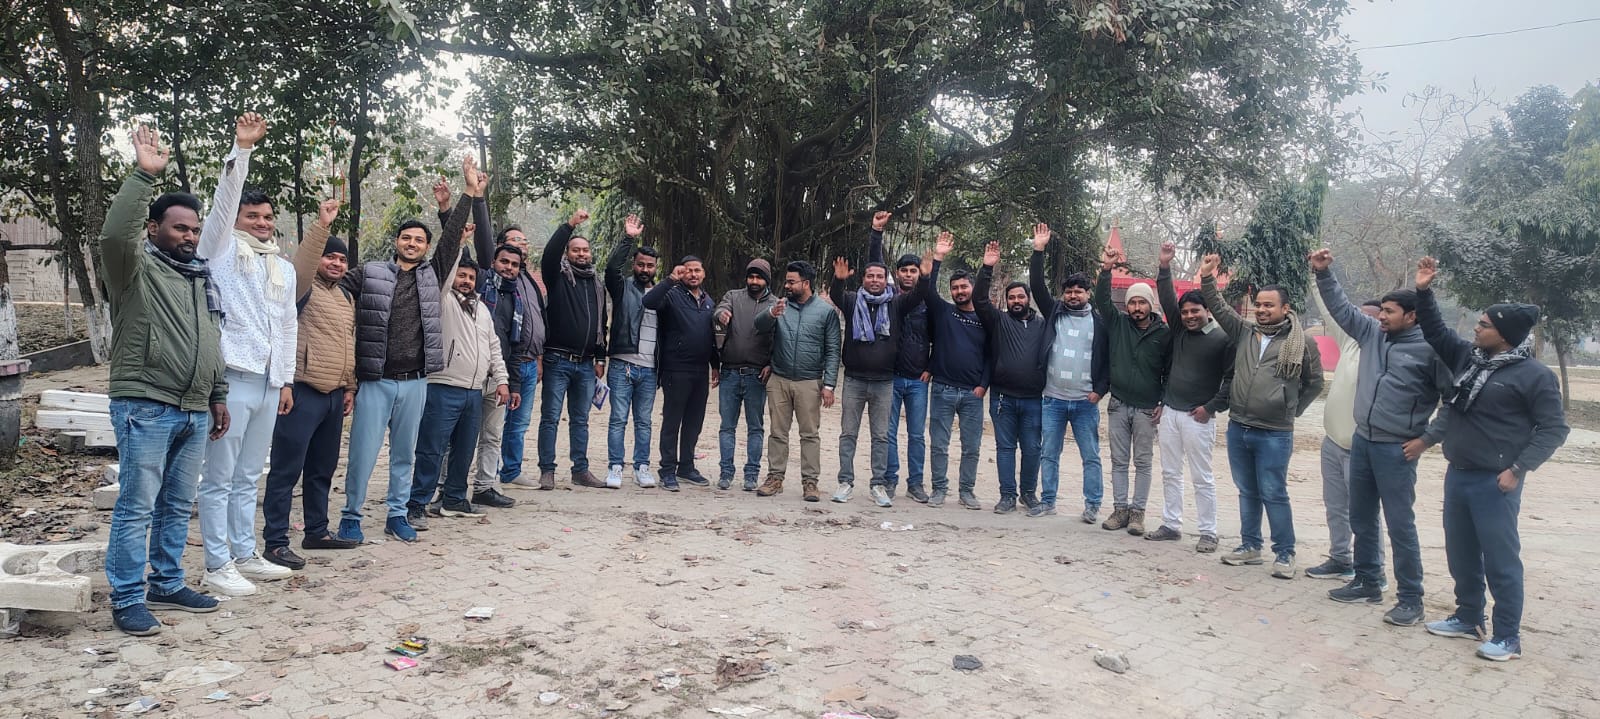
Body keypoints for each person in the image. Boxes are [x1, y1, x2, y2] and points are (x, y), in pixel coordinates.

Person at [100, 125, 229, 635]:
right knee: (137, 505)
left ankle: (167, 582)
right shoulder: (132, 269)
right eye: (179, 229)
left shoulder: (198, 277)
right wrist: (142, 175)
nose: (189, 236)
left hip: (193, 408)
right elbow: (114, 235)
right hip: (145, 403)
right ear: (153, 229)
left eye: (194, 229)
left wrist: (217, 395)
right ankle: (127, 598)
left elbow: (210, 340)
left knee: (176, 504)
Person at [1414, 257, 1569, 662]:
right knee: (1461, 552)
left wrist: (1518, 469)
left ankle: (1507, 637)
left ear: (1505, 334)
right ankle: (1468, 617)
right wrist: (1424, 291)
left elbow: (1554, 429)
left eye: (1484, 324)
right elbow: (1435, 330)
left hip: (1496, 481)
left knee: (1500, 560)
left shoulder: (1535, 376)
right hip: (1459, 473)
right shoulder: (1469, 359)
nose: (1476, 329)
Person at [1311, 248, 1454, 627]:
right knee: (1361, 517)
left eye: (1389, 312)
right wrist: (1323, 274)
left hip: (1397, 450)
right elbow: (1342, 309)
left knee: (1400, 525)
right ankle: (1368, 581)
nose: (1381, 317)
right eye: (1381, 312)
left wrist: (1427, 439)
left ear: (1412, 316)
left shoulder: (1431, 350)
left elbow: (1454, 401)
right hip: (1363, 442)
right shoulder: (1373, 335)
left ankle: (1410, 599)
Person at [337, 156, 472, 544]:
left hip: (415, 381)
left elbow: (452, 239)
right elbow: (334, 291)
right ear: (396, 242)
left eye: (419, 240)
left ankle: (397, 514)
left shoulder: (433, 273)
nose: (412, 244)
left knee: (404, 454)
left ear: (426, 247)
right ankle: (351, 516)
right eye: (406, 238)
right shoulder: (370, 272)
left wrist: (465, 193)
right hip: (376, 380)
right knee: (362, 453)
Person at [186, 114, 294, 596]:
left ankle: (245, 553)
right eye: (253, 217)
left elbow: (287, 325)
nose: (263, 223)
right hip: (231, 379)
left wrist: (285, 380)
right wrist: (243, 150)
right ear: (235, 221)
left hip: (269, 383)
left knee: (250, 475)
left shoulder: (281, 268)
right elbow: (224, 199)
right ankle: (217, 563)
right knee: (220, 477)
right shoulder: (222, 250)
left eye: (268, 217)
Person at [1199, 253, 1323, 579]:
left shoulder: (1302, 343)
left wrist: (1289, 408)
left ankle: (1284, 553)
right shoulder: (1245, 332)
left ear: (1285, 308)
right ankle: (1250, 546)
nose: (1262, 310)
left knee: (1274, 493)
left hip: (1274, 432)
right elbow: (1219, 307)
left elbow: (1314, 383)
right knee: (1247, 491)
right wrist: (1207, 278)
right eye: (1259, 305)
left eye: (1269, 305)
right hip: (1239, 427)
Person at [260, 199, 360, 572]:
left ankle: (317, 531)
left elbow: (349, 342)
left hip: (333, 396)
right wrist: (322, 226)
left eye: (342, 260)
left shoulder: (345, 296)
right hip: (301, 393)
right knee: (286, 470)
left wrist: (349, 386)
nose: (336, 263)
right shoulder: (300, 287)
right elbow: (302, 265)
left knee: (322, 469)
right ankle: (275, 542)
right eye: (330, 257)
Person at [436, 176, 543, 506]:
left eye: (514, 264)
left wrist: (510, 382)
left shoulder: (518, 299)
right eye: (503, 262)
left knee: (493, 435)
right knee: (455, 437)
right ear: (493, 263)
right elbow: (456, 248)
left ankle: (485, 486)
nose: (508, 268)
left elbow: (514, 345)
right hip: (465, 374)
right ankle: (444, 488)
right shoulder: (481, 283)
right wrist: (459, 204)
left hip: (497, 377)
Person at [408, 252, 510, 521]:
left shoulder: (482, 309)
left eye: (471, 277)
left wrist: (502, 380)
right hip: (443, 385)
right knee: (432, 448)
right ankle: (417, 503)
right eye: (461, 275)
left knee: (464, 449)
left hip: (474, 390)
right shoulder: (443, 300)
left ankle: (454, 499)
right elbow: (443, 271)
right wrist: (459, 243)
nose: (466, 281)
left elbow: (494, 347)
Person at [1152, 241, 1233, 552]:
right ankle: (1171, 524)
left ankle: (1208, 532)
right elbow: (1166, 297)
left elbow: (1231, 379)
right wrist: (1164, 265)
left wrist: (1210, 408)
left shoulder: (1222, 339)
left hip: (1198, 417)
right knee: (1170, 472)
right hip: (1170, 414)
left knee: (1202, 477)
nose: (1188, 316)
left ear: (1207, 311)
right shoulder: (1179, 330)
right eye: (1185, 312)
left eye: (1194, 311)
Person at [1030, 224, 1109, 520]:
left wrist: (1099, 391)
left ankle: (1092, 505)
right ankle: (1048, 502)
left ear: (1088, 293)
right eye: (1068, 292)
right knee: (1049, 454)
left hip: (1085, 402)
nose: (1073, 295)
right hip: (1053, 399)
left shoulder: (1100, 323)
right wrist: (1039, 250)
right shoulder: (1055, 313)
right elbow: (1037, 286)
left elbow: (1108, 361)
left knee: (1091, 456)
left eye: (1078, 291)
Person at [828, 211, 905, 507]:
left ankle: (878, 485)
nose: (874, 280)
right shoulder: (851, 301)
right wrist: (838, 280)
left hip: (884, 382)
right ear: (862, 279)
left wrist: (930, 271)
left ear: (886, 281)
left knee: (881, 436)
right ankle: (845, 482)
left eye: (879, 276)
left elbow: (920, 293)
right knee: (848, 433)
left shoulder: (896, 304)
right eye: (870, 276)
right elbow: (836, 294)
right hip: (854, 381)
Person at [1093, 245, 1170, 536]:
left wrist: (1163, 400)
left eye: (1142, 303)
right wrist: (1106, 269)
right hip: (1118, 404)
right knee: (1118, 461)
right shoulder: (1118, 324)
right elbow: (1102, 299)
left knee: (1143, 462)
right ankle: (1119, 510)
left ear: (1150, 305)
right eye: (1133, 303)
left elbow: (1169, 370)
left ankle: (1138, 513)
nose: (1137, 308)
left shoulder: (1163, 334)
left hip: (1147, 407)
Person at [1304, 285, 1378, 581]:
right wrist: (1315, 277)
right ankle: (1340, 558)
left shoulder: (1383, 351)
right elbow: (1329, 309)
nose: (1360, 321)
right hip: (1332, 442)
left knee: (1364, 513)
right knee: (1335, 507)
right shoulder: (1348, 342)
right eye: (1358, 315)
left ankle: (1372, 571)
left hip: (1362, 447)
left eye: (1370, 317)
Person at [913, 232, 990, 510]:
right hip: (943, 389)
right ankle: (939, 489)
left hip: (973, 393)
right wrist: (938, 258)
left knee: (971, 447)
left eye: (964, 287)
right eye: (955, 288)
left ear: (973, 288)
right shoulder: (944, 311)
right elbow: (928, 291)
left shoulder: (986, 317)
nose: (959, 291)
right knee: (939, 444)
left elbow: (991, 355)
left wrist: (983, 384)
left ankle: (967, 492)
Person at [755, 261, 841, 501]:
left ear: (806, 283)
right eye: (787, 281)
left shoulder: (825, 312)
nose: (787, 286)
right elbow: (759, 326)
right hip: (779, 379)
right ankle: (775, 478)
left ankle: (810, 483)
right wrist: (771, 313)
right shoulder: (779, 306)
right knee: (777, 433)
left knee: (810, 434)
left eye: (792, 282)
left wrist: (829, 385)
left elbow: (833, 350)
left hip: (809, 382)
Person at [971, 240, 1047, 514]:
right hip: (1003, 399)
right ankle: (1007, 496)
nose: (1016, 301)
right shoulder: (999, 321)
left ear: (1028, 298)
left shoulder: (1043, 324)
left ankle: (1028, 494)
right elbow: (979, 300)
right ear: (1007, 300)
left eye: (1020, 297)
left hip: (1034, 400)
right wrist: (987, 268)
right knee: (1005, 448)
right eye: (1012, 297)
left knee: (1032, 448)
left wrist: (1038, 252)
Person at [537, 209, 610, 490]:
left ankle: (580, 470)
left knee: (581, 420)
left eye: (585, 250)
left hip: (586, 364)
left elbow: (601, 322)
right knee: (551, 418)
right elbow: (549, 254)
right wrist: (569, 226)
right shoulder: (557, 277)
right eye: (575, 250)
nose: (581, 254)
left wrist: (600, 357)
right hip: (557, 360)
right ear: (567, 254)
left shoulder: (596, 283)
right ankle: (547, 470)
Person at [643, 256, 719, 489]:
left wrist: (715, 365)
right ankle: (667, 470)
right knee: (672, 421)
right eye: (688, 271)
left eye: (697, 270)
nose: (693, 275)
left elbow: (711, 336)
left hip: (700, 371)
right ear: (681, 273)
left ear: (704, 273)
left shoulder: (708, 301)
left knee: (694, 422)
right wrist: (670, 280)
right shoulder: (671, 295)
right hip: (675, 369)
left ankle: (686, 467)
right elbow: (648, 301)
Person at [604, 215, 661, 488]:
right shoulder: (622, 287)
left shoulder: (662, 293)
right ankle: (615, 466)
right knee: (618, 419)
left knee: (644, 421)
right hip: (622, 364)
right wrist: (628, 238)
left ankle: (642, 467)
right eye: (640, 264)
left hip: (650, 369)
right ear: (634, 264)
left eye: (650, 265)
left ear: (656, 268)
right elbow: (611, 268)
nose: (644, 269)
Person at [881, 219, 934, 503]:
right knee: (888, 432)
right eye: (905, 270)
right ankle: (890, 479)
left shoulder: (928, 302)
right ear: (897, 273)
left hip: (917, 380)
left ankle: (916, 483)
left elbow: (940, 337)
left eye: (914, 271)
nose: (909, 275)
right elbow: (874, 265)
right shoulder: (888, 299)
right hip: (890, 377)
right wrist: (876, 233)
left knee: (916, 435)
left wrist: (930, 367)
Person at [715, 260, 778, 491]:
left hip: (757, 376)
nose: (754, 281)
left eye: (759, 277)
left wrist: (771, 364)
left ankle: (751, 474)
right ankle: (726, 472)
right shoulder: (733, 296)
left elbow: (780, 338)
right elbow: (719, 309)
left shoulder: (775, 304)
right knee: (727, 426)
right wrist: (721, 314)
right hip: (729, 372)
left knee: (755, 427)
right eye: (751, 277)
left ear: (766, 280)